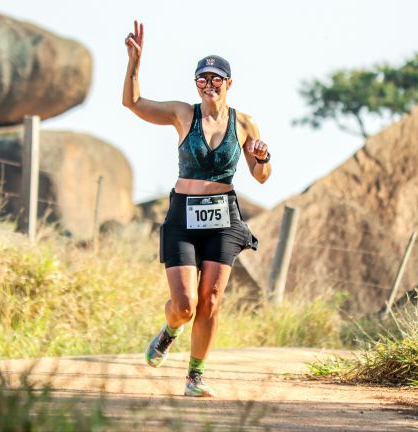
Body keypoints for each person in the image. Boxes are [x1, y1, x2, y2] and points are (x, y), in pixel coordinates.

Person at [122, 20, 272, 397]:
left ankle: (195, 377)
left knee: (211, 300)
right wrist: (135, 63)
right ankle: (169, 331)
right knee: (185, 305)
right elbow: (134, 104)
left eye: (215, 79)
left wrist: (263, 156)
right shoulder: (182, 114)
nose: (208, 85)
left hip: (223, 216)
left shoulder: (245, 122)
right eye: (202, 79)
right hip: (183, 216)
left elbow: (261, 176)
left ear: (229, 83)